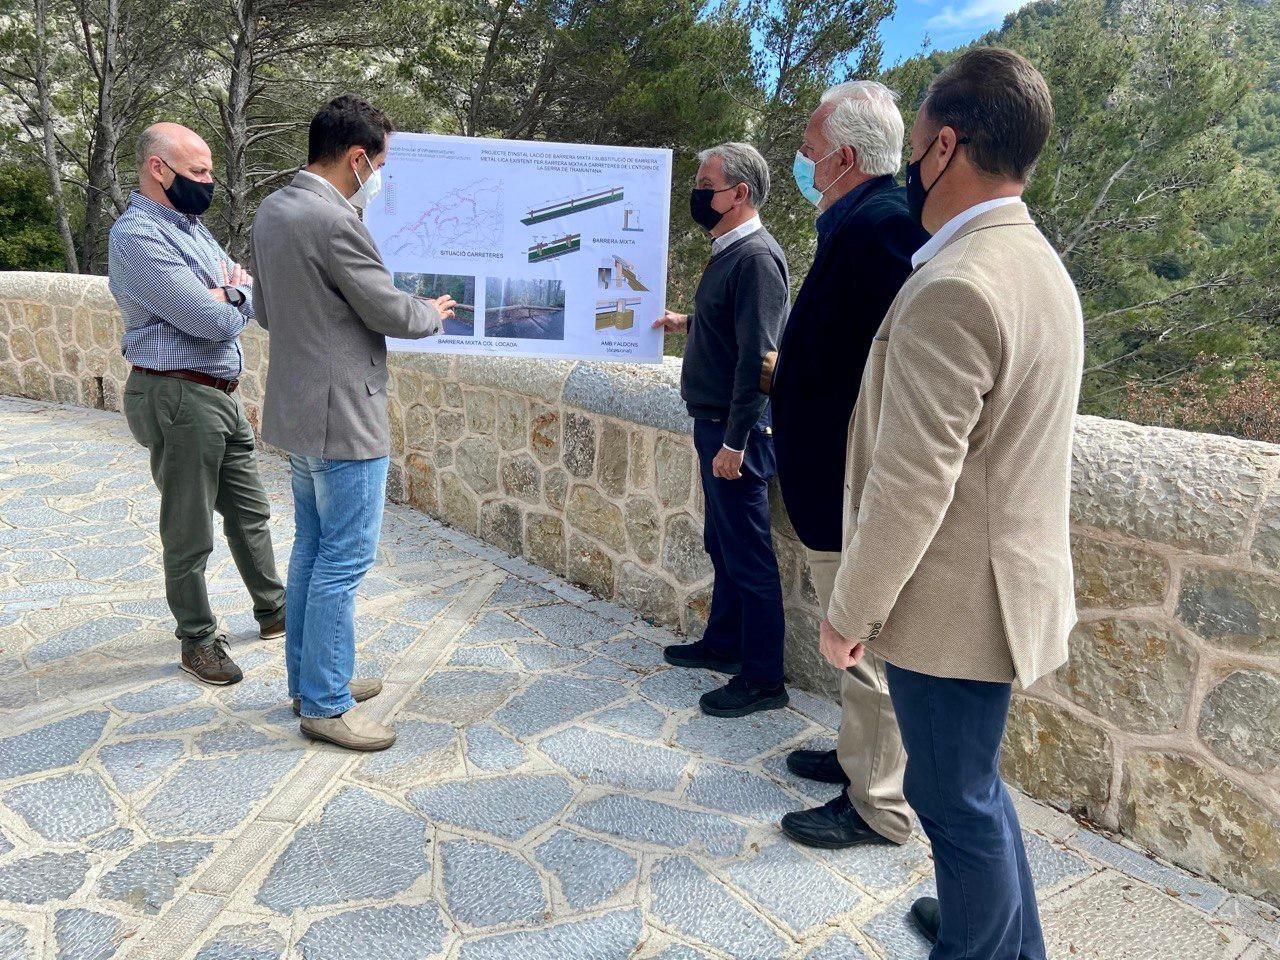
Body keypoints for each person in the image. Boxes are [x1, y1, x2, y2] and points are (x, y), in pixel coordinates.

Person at [820, 48, 1081, 959]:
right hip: (1004, 588)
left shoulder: (959, 285)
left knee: (954, 803)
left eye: (922, 136)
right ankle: (1006, 937)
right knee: (972, 789)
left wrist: (851, 611)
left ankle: (982, 940)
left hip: (957, 602)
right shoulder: (1035, 262)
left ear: (946, 143)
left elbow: (913, 476)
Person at [251, 95, 453, 751]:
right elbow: (388, 310)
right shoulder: (334, 221)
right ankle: (327, 705)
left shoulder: (274, 209)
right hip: (346, 416)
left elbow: (267, 313)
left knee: (313, 551)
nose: (381, 177)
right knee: (343, 561)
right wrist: (431, 311)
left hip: (299, 409)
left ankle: (310, 680)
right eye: (381, 163)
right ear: (357, 158)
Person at [765, 81, 928, 851]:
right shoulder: (854, 222)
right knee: (851, 646)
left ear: (845, 158)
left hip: (849, 487)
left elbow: (906, 370)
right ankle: (853, 759)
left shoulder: (884, 229)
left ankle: (878, 804)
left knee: (866, 648)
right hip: (827, 481)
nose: (801, 159)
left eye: (808, 149)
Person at [108, 122, 286, 687]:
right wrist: (231, 292)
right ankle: (197, 639)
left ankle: (274, 611)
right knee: (189, 528)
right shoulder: (138, 236)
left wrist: (230, 289)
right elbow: (211, 320)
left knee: (250, 512)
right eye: (200, 172)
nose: (210, 182)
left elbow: (244, 293)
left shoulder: (190, 229)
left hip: (217, 394)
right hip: (176, 393)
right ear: (159, 169)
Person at [653, 142, 790, 718]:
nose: (698, 193)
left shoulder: (756, 258)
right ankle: (724, 644)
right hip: (713, 424)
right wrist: (688, 322)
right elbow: (732, 327)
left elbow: (758, 357)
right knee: (724, 543)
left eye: (706, 184)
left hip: (737, 434)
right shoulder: (728, 251)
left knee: (750, 554)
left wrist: (737, 440)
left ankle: (763, 680)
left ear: (740, 194)